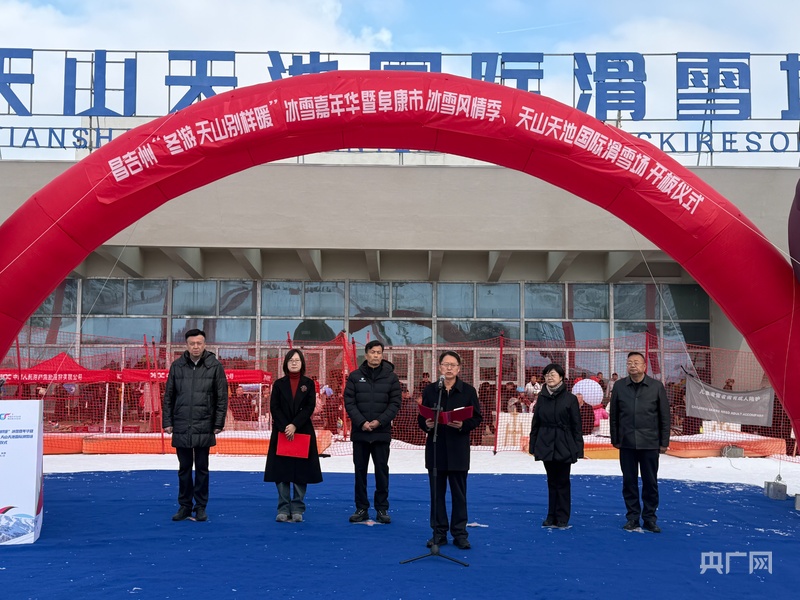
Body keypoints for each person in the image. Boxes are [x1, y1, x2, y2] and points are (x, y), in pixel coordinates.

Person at [418, 351, 483, 550]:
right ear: (439, 367)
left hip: (458, 450)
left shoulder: (468, 391)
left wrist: (463, 425)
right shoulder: (431, 391)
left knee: (459, 495)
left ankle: (460, 534)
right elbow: (421, 417)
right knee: (436, 495)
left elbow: (477, 418)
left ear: (459, 368)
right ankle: (438, 533)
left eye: (453, 365)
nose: (449, 368)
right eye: (445, 364)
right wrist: (427, 424)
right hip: (436, 450)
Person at [162, 329, 228, 522]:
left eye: (199, 343)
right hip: (182, 424)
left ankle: (200, 507)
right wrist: (168, 421)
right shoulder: (177, 366)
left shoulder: (214, 366)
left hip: (204, 424)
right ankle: (184, 506)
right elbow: (169, 397)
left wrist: (218, 423)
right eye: (192, 343)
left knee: (202, 468)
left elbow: (222, 398)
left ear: (205, 344)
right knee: (183, 468)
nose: (196, 347)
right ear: (187, 345)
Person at [610, 351, 670, 533]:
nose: (632, 365)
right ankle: (632, 518)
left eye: (636, 362)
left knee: (650, 482)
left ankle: (650, 518)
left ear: (644, 366)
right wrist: (615, 438)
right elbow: (614, 415)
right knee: (629, 482)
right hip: (627, 442)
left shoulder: (656, 386)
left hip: (650, 443)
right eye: (629, 362)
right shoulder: (619, 386)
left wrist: (664, 441)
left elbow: (664, 416)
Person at [344, 340, 402, 524]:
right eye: (373, 352)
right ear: (366, 354)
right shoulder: (355, 377)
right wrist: (361, 422)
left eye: (379, 352)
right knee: (360, 472)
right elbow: (349, 402)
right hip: (360, 433)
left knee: (381, 471)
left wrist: (379, 422)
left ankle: (382, 508)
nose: (376, 355)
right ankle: (361, 508)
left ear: (382, 355)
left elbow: (395, 403)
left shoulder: (391, 378)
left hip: (381, 433)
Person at [263, 349, 323, 523]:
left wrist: (295, 425)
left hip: (302, 430)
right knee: (281, 471)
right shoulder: (279, 384)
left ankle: (297, 508)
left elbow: (309, 407)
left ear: (302, 363)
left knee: (301, 472)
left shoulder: (308, 384)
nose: (294, 363)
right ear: (286, 363)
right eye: (291, 360)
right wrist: (285, 426)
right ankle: (283, 508)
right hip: (282, 432)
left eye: (297, 360)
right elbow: (275, 407)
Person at [528, 363, 583, 528]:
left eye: (553, 374)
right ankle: (551, 515)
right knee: (551, 481)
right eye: (547, 375)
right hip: (545, 442)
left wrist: (578, 449)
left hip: (564, 443)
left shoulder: (570, 399)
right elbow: (536, 423)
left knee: (563, 481)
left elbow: (576, 425)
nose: (549, 377)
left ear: (561, 377)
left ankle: (562, 516)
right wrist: (533, 444)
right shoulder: (542, 398)